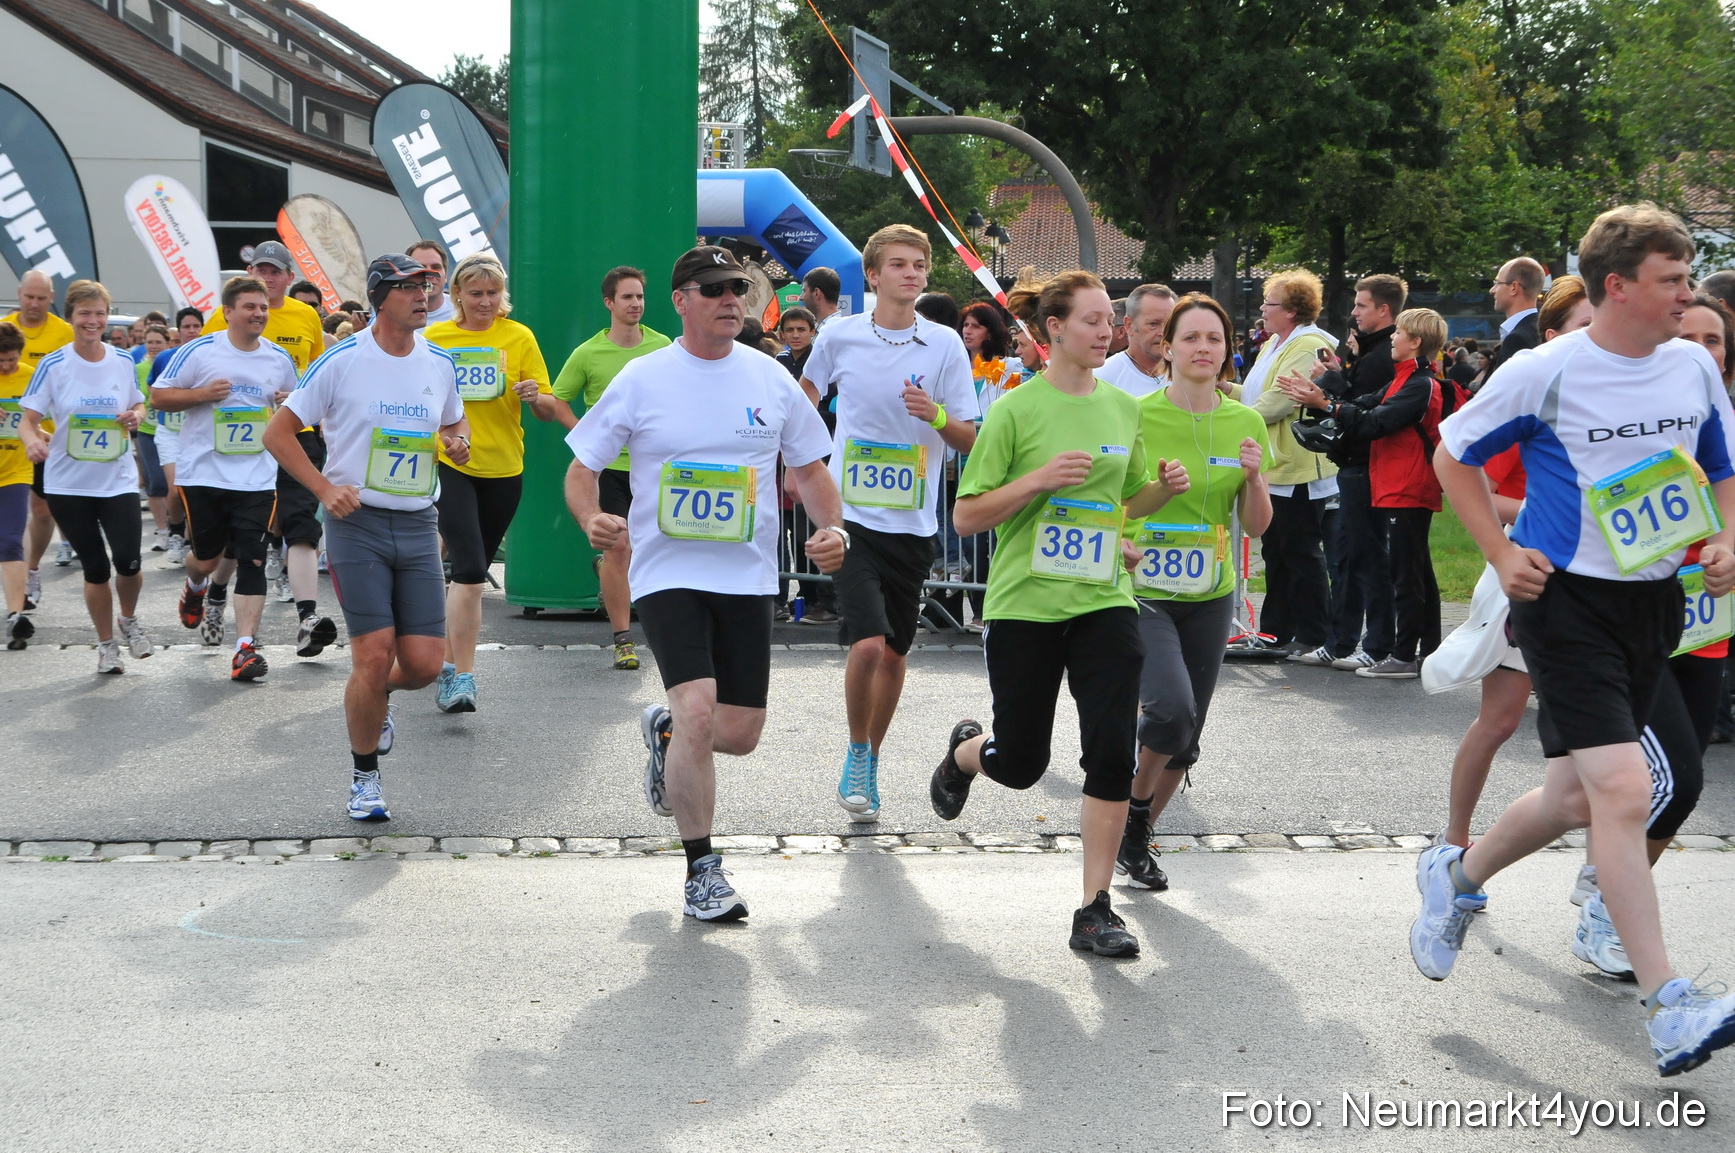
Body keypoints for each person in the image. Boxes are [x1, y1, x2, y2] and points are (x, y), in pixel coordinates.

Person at [1416, 204, 1735, 1077]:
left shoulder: (1689, 370)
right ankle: (1668, 1003)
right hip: (1563, 604)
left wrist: (1723, 540)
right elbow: (1452, 457)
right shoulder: (1545, 369)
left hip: (1650, 604)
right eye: (1671, 280)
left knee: (1570, 797)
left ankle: (1455, 876)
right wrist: (1498, 549)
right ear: (1617, 287)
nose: (1687, 295)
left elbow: (1719, 468)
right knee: (1624, 791)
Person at [563, 245, 844, 922]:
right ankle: (701, 871)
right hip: (667, 571)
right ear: (681, 299)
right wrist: (591, 516)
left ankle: (667, 736)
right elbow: (581, 466)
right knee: (697, 709)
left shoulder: (770, 377)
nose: (730, 299)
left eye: (738, 288)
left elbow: (808, 466)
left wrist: (835, 528)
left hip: (746, 575)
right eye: (714, 288)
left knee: (738, 731)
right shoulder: (641, 378)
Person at [927, 268, 1189, 957]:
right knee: (1019, 761)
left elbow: (1122, 499)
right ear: (1053, 329)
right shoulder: (1015, 409)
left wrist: (1155, 495)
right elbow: (965, 513)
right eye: (1094, 320)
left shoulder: (1120, 407)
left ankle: (1093, 907)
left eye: (1113, 321)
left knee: (1109, 751)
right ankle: (962, 755)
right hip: (1025, 604)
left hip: (1103, 598)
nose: (1109, 331)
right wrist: (1038, 479)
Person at [264, 253, 470, 821]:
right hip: (357, 527)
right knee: (373, 657)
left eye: (427, 286)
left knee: (426, 666)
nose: (424, 295)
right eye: (409, 288)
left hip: (418, 522)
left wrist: (457, 440)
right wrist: (326, 489)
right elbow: (278, 433)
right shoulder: (342, 360)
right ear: (381, 298)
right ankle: (364, 778)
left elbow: (454, 420)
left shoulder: (439, 362)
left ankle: (376, 702)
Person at [796, 224, 979, 822]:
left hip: (913, 522)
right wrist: (801, 464)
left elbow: (967, 435)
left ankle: (871, 756)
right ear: (872, 276)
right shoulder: (840, 335)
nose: (911, 273)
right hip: (849, 517)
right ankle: (855, 751)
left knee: (896, 653)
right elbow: (803, 397)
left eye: (920, 264)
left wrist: (938, 415)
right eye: (898, 264)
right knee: (868, 642)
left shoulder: (945, 344)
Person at [1116, 294, 1271, 891]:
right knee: (1170, 708)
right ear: (1168, 347)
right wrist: (1128, 532)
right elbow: (1116, 501)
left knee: (1185, 737)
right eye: (1191, 338)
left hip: (1210, 591)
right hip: (1144, 583)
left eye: (1214, 338)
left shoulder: (1245, 420)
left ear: (1227, 349)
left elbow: (1256, 525)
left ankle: (1137, 836)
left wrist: (1255, 476)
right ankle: (1130, 818)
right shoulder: (1136, 415)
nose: (1203, 348)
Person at [1439, 274, 1593, 849]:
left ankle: (1602, 876)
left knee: (1601, 737)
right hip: (1529, 575)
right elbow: (1470, 477)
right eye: (1583, 326)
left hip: (1607, 587)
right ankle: (1454, 843)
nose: (1597, 339)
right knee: (1501, 720)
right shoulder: (1531, 393)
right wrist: (1537, 510)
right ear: (1551, 335)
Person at [1283, 308, 1452, 677]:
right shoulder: (1405, 378)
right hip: (1395, 482)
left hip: (1408, 484)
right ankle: (1424, 651)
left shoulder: (1420, 383)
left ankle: (1403, 655)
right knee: (1412, 570)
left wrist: (1326, 404)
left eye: (1400, 333)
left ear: (1415, 342)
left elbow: (1377, 422)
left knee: (1406, 574)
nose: (1393, 337)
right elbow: (1364, 405)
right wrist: (1327, 391)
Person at [424, 254, 561, 711]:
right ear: (457, 294)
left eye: (492, 293)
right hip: (452, 463)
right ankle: (461, 676)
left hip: (505, 467)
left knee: (470, 572)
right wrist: (446, 439)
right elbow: (419, 402)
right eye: (476, 293)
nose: (485, 302)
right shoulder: (435, 338)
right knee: (469, 571)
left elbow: (546, 405)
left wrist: (533, 394)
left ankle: (445, 664)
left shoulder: (518, 336)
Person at [153, 277, 299, 681]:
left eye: (263, 307)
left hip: (255, 476)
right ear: (229, 311)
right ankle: (196, 585)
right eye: (250, 307)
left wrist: (290, 405)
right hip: (203, 474)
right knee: (209, 557)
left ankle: (245, 649)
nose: (258, 314)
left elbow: (298, 405)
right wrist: (201, 394)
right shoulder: (201, 350)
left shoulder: (277, 359)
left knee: (251, 557)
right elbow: (159, 397)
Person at [17, 280, 154, 672]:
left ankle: (128, 620)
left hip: (117, 480)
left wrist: (136, 416)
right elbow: (28, 420)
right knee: (96, 568)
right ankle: (106, 644)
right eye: (85, 314)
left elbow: (138, 403)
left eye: (99, 314)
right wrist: (32, 442)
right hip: (68, 483)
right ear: (71, 316)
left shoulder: (122, 360)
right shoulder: (54, 364)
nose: (93, 321)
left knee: (128, 561)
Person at [551, 266, 674, 670]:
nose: (636, 304)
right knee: (619, 546)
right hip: (610, 471)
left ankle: (624, 588)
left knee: (648, 549)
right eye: (627, 297)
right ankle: (624, 639)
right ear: (609, 303)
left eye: (640, 296)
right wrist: (588, 435)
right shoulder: (588, 353)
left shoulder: (662, 346)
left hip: (652, 469)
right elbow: (558, 399)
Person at [1240, 269, 1338, 663]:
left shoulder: (1307, 344)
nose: (1263, 309)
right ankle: (1276, 630)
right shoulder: (1275, 344)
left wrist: (1233, 419)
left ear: (1294, 311)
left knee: (1299, 549)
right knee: (1277, 550)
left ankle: (1315, 632)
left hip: (1297, 465)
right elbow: (1255, 393)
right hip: (1276, 465)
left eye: (1270, 303)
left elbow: (1279, 401)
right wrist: (1222, 391)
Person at [1312, 273, 1406, 672]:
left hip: (1368, 466)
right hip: (1355, 465)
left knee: (1369, 557)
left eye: (1361, 305)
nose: (1353, 313)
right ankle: (1343, 640)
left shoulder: (1383, 354)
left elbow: (1359, 409)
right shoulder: (1370, 351)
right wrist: (1340, 371)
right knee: (1350, 556)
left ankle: (1379, 643)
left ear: (1383, 310)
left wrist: (1326, 388)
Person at [4, 270, 76, 599]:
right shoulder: (5, 329)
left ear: (52, 298)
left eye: (41, 298)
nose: (34, 304)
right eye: (29, 297)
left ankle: (31, 568)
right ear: (19, 295)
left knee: (44, 510)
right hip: (11, 443)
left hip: (47, 437)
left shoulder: (63, 333)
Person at [202, 242, 325, 373]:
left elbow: (316, 363)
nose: (267, 278)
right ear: (249, 272)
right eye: (262, 271)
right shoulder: (228, 312)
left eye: (275, 272)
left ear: (290, 278)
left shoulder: (308, 314)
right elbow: (200, 359)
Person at [152, 307, 205, 565]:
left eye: (196, 326)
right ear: (178, 331)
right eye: (186, 327)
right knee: (175, 490)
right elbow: (155, 396)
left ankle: (191, 538)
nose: (192, 331)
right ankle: (175, 533)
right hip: (171, 431)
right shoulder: (164, 358)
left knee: (197, 491)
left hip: (200, 432)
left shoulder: (211, 357)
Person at [1, 322, 35, 648]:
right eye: (0, 361)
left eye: (11, 359)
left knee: (11, 541)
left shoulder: (30, 376)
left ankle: (15, 616)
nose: (6, 366)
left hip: (15, 471)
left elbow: (44, 423)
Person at [1097, 283, 1176, 398]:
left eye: (1169, 324)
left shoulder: (1187, 375)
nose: (1163, 332)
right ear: (1129, 325)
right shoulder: (1103, 378)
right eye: (1153, 324)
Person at [132, 324, 172, 551]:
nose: (154, 346)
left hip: (175, 430)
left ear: (167, 343)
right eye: (150, 342)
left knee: (176, 483)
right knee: (155, 482)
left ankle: (181, 527)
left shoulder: (172, 364)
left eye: (158, 341)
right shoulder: (138, 369)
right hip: (148, 431)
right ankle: (162, 532)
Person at [1486, 256, 1544, 378]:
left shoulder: (1517, 339)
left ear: (1514, 288)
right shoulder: (1541, 329)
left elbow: (1505, 392)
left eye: (1497, 283)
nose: (1492, 290)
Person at [406, 240, 455, 324]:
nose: (429, 274)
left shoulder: (465, 310)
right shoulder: (394, 318)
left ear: (445, 275)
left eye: (436, 267)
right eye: (421, 268)